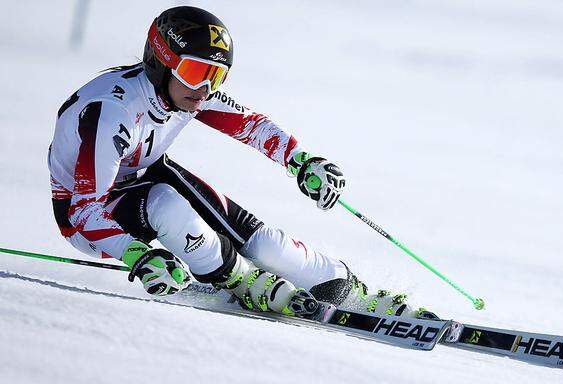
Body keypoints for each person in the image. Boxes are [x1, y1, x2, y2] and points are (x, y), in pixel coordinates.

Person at [49, 6, 435, 318]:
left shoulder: (182, 92)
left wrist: (301, 161)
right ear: (162, 60)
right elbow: (84, 211)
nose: (205, 90)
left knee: (262, 242)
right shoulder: (112, 113)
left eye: (216, 76)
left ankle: (341, 285)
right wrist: (139, 255)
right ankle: (238, 280)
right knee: (168, 205)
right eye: (197, 72)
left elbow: (251, 125)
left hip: (145, 174)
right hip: (89, 215)